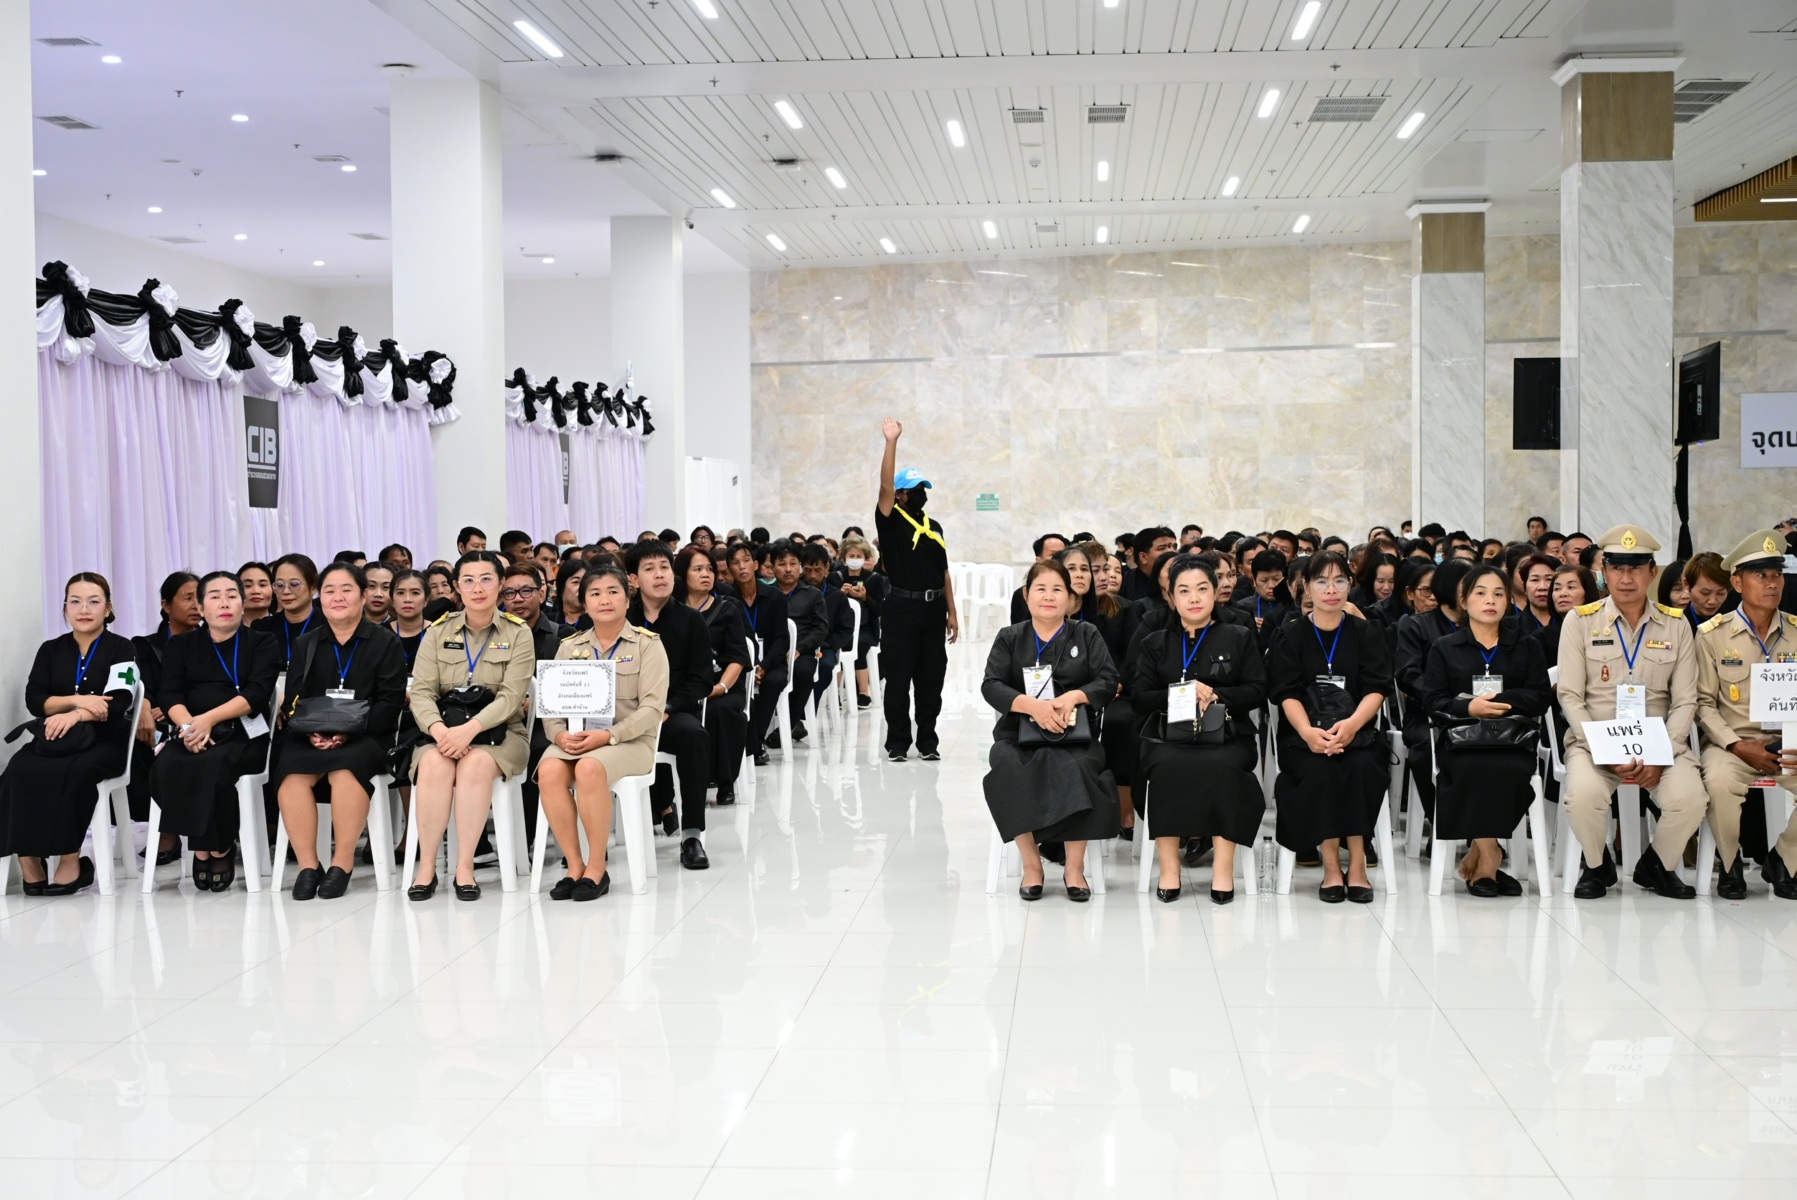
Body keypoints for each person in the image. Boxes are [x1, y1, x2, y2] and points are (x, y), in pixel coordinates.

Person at [1556, 526, 1707, 900]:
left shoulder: (1676, 624)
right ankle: (1597, 865)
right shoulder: (1580, 621)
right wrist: (1603, 748)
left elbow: (1685, 700)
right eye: (1617, 568)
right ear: (1603, 572)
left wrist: (1662, 752)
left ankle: (1657, 864)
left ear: (1652, 573)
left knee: (1691, 798)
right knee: (1581, 796)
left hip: (1661, 744)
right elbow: (1570, 695)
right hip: (1595, 743)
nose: (1626, 578)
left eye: (1636, 568)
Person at [980, 560, 1120, 902]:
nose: (1049, 596)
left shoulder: (1086, 633)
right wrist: (1032, 706)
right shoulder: (1010, 637)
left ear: (1070, 597)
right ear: (1026, 595)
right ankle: (1032, 865)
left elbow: (1107, 680)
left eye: (1058, 589)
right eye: (1040, 589)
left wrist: (1074, 697)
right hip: (1018, 734)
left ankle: (1074, 868)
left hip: (1075, 734)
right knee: (1008, 766)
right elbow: (991, 684)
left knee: (1080, 765)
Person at [1132, 555, 1267, 903]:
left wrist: (1216, 694)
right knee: (1165, 765)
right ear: (1171, 596)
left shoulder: (1238, 636)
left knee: (1223, 767)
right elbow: (1140, 697)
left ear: (1216, 591)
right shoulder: (1156, 642)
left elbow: (1257, 689)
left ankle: (1223, 868)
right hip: (1169, 737)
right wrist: (1182, 691)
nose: (1194, 598)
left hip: (1227, 736)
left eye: (1202, 589)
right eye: (1184, 590)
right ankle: (1169, 868)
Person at [272, 563, 408, 900]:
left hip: (367, 736)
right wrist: (313, 732)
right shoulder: (307, 644)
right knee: (290, 769)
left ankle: (341, 862)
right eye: (330, 591)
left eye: (346, 590)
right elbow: (295, 699)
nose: (338, 597)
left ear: (363, 596)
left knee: (346, 769)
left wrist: (347, 733)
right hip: (312, 735)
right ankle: (308, 865)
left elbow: (389, 703)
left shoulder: (385, 642)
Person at [407, 550, 535, 901]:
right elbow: (421, 693)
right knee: (433, 763)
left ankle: (465, 867)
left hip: (502, 734)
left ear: (501, 584)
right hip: (443, 732)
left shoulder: (518, 633)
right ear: (456, 587)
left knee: (476, 762)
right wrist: (440, 732)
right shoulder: (437, 632)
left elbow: (511, 698)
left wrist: (470, 730)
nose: (477, 588)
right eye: (468, 580)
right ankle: (427, 867)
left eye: (486, 579)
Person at [0, 573, 139, 895]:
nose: (84, 609)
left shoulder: (122, 648)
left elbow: (118, 701)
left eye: (94, 601)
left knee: (77, 772)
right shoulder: (50, 649)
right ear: (65, 608)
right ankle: (28, 859)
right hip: (55, 737)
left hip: (105, 740)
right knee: (18, 769)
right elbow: (35, 700)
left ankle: (69, 859)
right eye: (75, 602)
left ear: (108, 608)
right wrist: (81, 701)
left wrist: (75, 714)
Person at [536, 566, 670, 900]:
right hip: (576, 738)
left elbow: (652, 710)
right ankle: (574, 865)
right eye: (595, 594)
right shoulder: (570, 647)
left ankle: (597, 867)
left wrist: (608, 736)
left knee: (589, 767)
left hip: (629, 742)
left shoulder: (648, 645)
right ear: (584, 603)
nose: (604, 600)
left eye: (613, 592)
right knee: (549, 769)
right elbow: (551, 708)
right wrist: (558, 736)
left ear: (628, 599)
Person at [1420, 564, 1553, 896]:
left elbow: (1540, 697)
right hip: (1462, 742)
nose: (1490, 601)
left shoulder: (1526, 645)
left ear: (1508, 601)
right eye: (1480, 593)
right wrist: (1469, 708)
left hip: (1513, 742)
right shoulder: (1445, 647)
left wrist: (1500, 702)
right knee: (1470, 769)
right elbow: (1432, 701)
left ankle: (1482, 856)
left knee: (1508, 771)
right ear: (1464, 601)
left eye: (1498, 594)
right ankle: (1490, 853)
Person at [1268, 552, 1393, 903]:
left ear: (1350, 585)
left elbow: (1376, 688)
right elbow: (1286, 693)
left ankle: (1358, 864)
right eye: (1321, 581)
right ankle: (1331, 866)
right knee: (1322, 770)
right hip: (1303, 737)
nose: (1331, 590)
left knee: (1361, 765)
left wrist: (1352, 725)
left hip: (1359, 733)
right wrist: (1309, 734)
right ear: (1306, 587)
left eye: (1339, 581)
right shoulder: (1290, 634)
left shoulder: (1366, 631)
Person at [151, 571, 280, 891]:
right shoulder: (181, 645)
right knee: (166, 765)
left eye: (232, 596)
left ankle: (214, 848)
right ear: (201, 606)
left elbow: (256, 694)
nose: (224, 603)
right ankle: (207, 845)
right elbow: (169, 694)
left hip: (243, 733)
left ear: (242, 604)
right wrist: (189, 728)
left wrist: (207, 720)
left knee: (214, 765)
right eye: (214, 596)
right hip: (191, 731)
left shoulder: (261, 642)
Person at [1695, 531, 1797, 899]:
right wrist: (1736, 745)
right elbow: (1702, 703)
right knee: (1719, 782)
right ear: (1737, 583)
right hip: (1732, 744)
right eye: (1761, 575)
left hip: (1788, 742)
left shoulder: (1796, 632)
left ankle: (1784, 859)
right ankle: (1730, 862)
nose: (1772, 584)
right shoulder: (1712, 635)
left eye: (1777, 575)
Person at [625, 540, 714, 869]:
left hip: (669, 713)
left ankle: (691, 835)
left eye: (664, 567)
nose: (659, 574)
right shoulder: (622, 619)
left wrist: (668, 709)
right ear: (634, 580)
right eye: (649, 569)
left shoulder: (690, 620)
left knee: (694, 736)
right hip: (625, 716)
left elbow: (701, 680)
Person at [875, 417, 958, 762]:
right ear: (900, 494)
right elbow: (884, 487)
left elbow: (944, 572)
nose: (920, 493)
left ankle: (927, 740)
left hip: (933, 610)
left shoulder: (933, 526)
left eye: (923, 488)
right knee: (898, 677)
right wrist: (891, 441)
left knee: (930, 678)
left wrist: (952, 612)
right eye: (913, 489)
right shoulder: (890, 519)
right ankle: (897, 742)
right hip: (900, 609)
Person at [678, 547, 751, 805]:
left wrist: (719, 687)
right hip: (684, 687)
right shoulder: (673, 611)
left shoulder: (728, 608)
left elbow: (738, 657)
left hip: (722, 686)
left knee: (722, 711)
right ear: (682, 574)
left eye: (709, 569)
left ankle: (725, 781)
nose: (706, 574)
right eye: (697, 569)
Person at [730, 541, 790, 765]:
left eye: (746, 561)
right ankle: (747, 741)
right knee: (738, 686)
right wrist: (751, 666)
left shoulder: (775, 597)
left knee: (774, 682)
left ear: (755, 565)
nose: (742, 567)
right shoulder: (729, 600)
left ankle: (757, 740)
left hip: (771, 662)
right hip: (742, 663)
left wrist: (763, 666)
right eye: (735, 563)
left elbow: (781, 638)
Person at [800, 540, 856, 714]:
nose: (813, 575)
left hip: (825, 646)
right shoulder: (796, 591)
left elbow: (845, 629)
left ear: (826, 568)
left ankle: (806, 710)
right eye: (808, 570)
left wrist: (829, 644)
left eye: (817, 570)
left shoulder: (836, 596)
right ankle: (796, 709)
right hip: (798, 646)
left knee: (825, 665)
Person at [839, 534, 887, 708]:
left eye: (859, 556)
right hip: (841, 626)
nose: (855, 559)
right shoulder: (836, 577)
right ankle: (837, 692)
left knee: (858, 643)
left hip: (866, 627)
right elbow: (828, 606)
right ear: (844, 557)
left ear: (865, 557)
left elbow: (879, 610)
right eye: (851, 556)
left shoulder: (874, 579)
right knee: (837, 642)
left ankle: (863, 691)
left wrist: (865, 598)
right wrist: (839, 595)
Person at [253, 553, 320, 669]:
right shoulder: (262, 628)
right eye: (280, 585)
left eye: (294, 584)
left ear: (313, 587)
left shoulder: (328, 625)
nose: (286, 591)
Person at [1010, 532, 1069, 623]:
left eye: (1062, 555)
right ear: (1038, 560)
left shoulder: (1074, 591)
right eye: (1053, 555)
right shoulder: (1020, 595)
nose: (1058, 559)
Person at [1123, 526, 1178, 602]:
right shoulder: (1124, 584)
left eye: (1170, 546)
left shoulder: (1180, 576)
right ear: (1143, 557)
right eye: (1162, 548)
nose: (1170, 551)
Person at [1682, 552, 1733, 632]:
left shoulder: (1735, 622)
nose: (1712, 601)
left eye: (1720, 593)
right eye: (1705, 593)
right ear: (1687, 585)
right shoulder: (1677, 626)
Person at [238, 561, 275, 626]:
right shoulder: (228, 628)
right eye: (247, 585)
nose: (256, 591)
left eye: (262, 585)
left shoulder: (283, 626)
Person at [362, 560, 395, 625]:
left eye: (385, 587)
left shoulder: (400, 627)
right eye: (371, 586)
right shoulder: (347, 626)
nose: (378, 594)